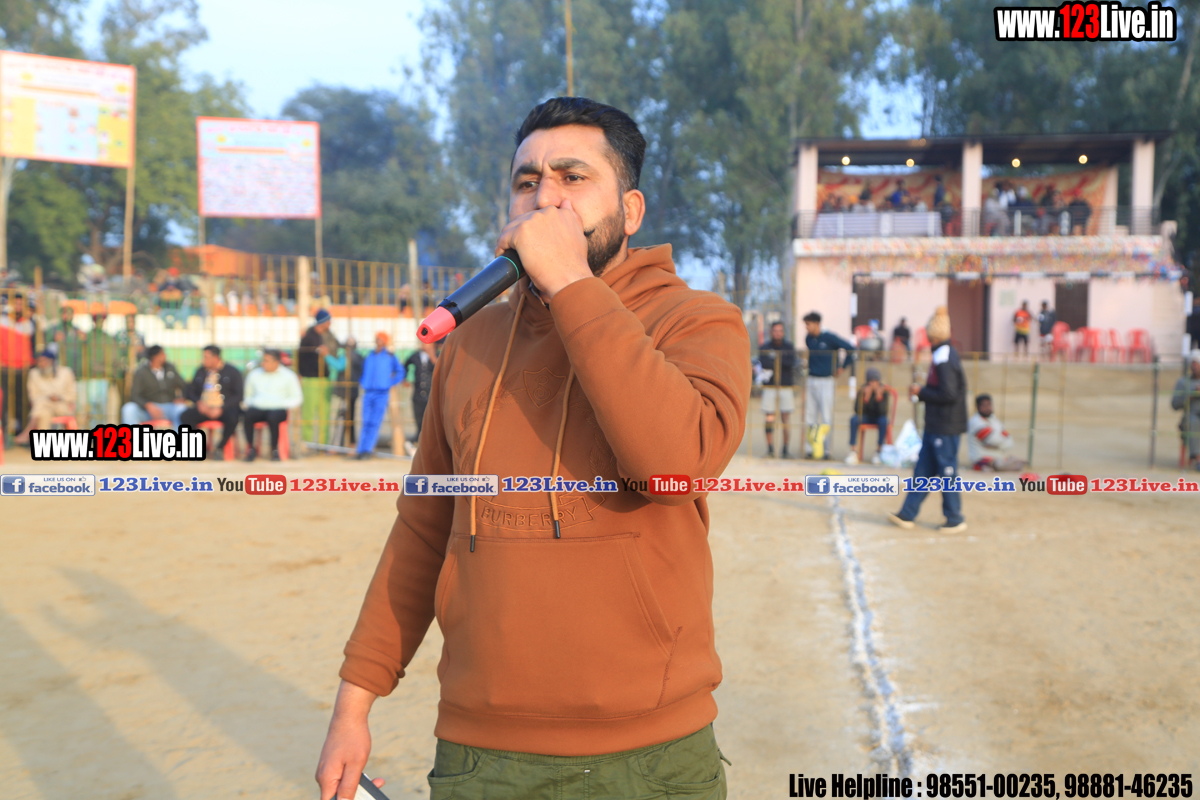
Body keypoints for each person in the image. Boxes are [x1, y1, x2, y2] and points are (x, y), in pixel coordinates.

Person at [316, 97, 749, 800]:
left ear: (630, 211)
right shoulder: (472, 341)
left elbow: (674, 467)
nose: (545, 198)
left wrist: (572, 282)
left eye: (573, 178)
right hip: (481, 754)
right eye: (527, 181)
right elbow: (423, 529)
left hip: (651, 756)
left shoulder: (696, 321)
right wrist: (353, 705)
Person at [888, 307, 968, 534]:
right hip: (935, 424)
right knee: (923, 470)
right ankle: (907, 513)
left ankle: (954, 517)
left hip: (946, 425)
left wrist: (921, 392)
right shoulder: (941, 354)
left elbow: (949, 394)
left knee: (947, 471)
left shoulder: (944, 357)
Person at [802, 310, 855, 460]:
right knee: (810, 415)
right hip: (812, 379)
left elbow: (851, 349)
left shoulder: (829, 337)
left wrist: (842, 367)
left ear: (817, 324)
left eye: (808, 324)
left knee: (826, 416)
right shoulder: (809, 339)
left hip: (826, 380)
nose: (806, 327)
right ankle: (810, 449)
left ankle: (827, 451)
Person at [180, 345, 243, 460]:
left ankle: (220, 448)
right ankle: (199, 448)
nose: (203, 360)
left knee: (233, 418)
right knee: (186, 416)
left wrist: (222, 408)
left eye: (206, 357)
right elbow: (190, 392)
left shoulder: (232, 371)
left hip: (224, 409)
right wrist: (199, 403)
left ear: (216, 357)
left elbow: (239, 395)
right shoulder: (200, 371)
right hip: (204, 408)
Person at [242, 349, 303, 462]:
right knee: (248, 415)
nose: (263, 363)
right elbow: (247, 396)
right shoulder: (254, 374)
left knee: (273, 417)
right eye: (263, 360)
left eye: (266, 361)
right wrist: (252, 403)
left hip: (278, 408)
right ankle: (251, 449)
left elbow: (297, 398)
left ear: (276, 362)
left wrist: (283, 404)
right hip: (258, 407)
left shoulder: (289, 375)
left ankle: (274, 450)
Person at [355, 332, 404, 460]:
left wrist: (389, 383)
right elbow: (362, 370)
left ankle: (367, 450)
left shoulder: (390, 356)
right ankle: (360, 450)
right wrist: (362, 381)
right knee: (365, 422)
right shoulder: (369, 355)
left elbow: (400, 372)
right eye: (377, 339)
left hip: (381, 393)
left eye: (381, 339)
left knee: (374, 422)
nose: (378, 341)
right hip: (368, 392)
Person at [14, 349, 76, 443]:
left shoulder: (66, 372)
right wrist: (47, 399)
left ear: (52, 361)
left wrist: (59, 398)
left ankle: (27, 432)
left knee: (40, 406)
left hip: (63, 405)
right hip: (43, 407)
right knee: (43, 412)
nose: (41, 364)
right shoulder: (34, 374)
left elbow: (73, 394)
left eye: (44, 361)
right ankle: (43, 445)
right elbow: (33, 396)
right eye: (39, 361)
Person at [121, 345, 189, 428]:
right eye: (162, 354)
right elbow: (134, 395)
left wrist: (182, 398)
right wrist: (148, 405)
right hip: (148, 410)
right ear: (155, 357)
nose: (165, 356)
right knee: (128, 408)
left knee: (182, 409)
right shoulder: (141, 372)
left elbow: (184, 385)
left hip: (170, 407)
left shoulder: (170, 368)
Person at [758, 321, 797, 458]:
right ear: (771, 332)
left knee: (785, 418)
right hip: (770, 386)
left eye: (780, 331)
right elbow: (764, 363)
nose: (778, 333)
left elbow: (790, 363)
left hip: (785, 386)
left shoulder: (789, 347)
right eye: (775, 331)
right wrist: (779, 361)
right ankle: (770, 449)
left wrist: (775, 359)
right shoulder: (765, 347)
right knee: (769, 418)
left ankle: (785, 450)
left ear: (783, 332)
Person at [298, 308, 334, 447]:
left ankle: (323, 445)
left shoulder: (329, 336)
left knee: (325, 415)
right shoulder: (308, 337)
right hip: (310, 379)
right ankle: (307, 443)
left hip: (325, 379)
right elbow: (301, 357)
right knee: (308, 414)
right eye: (328, 320)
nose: (330, 323)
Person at [79, 311, 122, 424]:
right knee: (90, 408)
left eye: (102, 320)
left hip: (107, 378)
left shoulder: (108, 338)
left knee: (104, 409)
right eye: (97, 320)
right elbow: (85, 358)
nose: (100, 322)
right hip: (91, 377)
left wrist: (112, 371)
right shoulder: (87, 337)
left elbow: (115, 358)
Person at [967, 394, 1027, 471]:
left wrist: (997, 445)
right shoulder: (976, 422)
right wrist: (1000, 441)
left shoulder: (994, 420)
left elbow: (1009, 442)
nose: (987, 408)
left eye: (989, 405)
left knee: (1013, 462)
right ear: (978, 407)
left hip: (998, 458)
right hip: (981, 459)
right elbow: (993, 440)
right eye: (984, 405)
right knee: (997, 465)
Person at [845, 367, 890, 465]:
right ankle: (853, 451)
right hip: (866, 417)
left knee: (884, 421)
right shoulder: (862, 390)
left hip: (878, 417)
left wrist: (878, 397)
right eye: (871, 381)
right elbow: (857, 410)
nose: (873, 384)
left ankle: (878, 451)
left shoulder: (884, 391)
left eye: (876, 381)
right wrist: (866, 398)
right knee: (854, 419)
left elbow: (884, 412)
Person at [403, 340, 438, 453]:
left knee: (431, 422)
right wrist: (405, 379)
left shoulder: (437, 355)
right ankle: (418, 445)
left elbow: (440, 368)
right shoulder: (416, 356)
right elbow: (405, 365)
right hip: (418, 395)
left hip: (431, 395)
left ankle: (427, 446)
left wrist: (431, 355)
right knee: (419, 420)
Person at [333, 335, 365, 448]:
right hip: (353, 390)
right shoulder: (360, 357)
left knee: (341, 418)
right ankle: (351, 442)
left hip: (343, 391)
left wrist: (327, 355)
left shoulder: (345, 356)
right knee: (350, 417)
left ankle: (338, 444)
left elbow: (339, 367)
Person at [1172, 354, 1200, 470]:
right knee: (1193, 422)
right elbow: (1174, 404)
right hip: (1190, 416)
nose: (1194, 367)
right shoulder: (1183, 382)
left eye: (1197, 364)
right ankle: (1198, 459)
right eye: (1193, 364)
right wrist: (1190, 396)